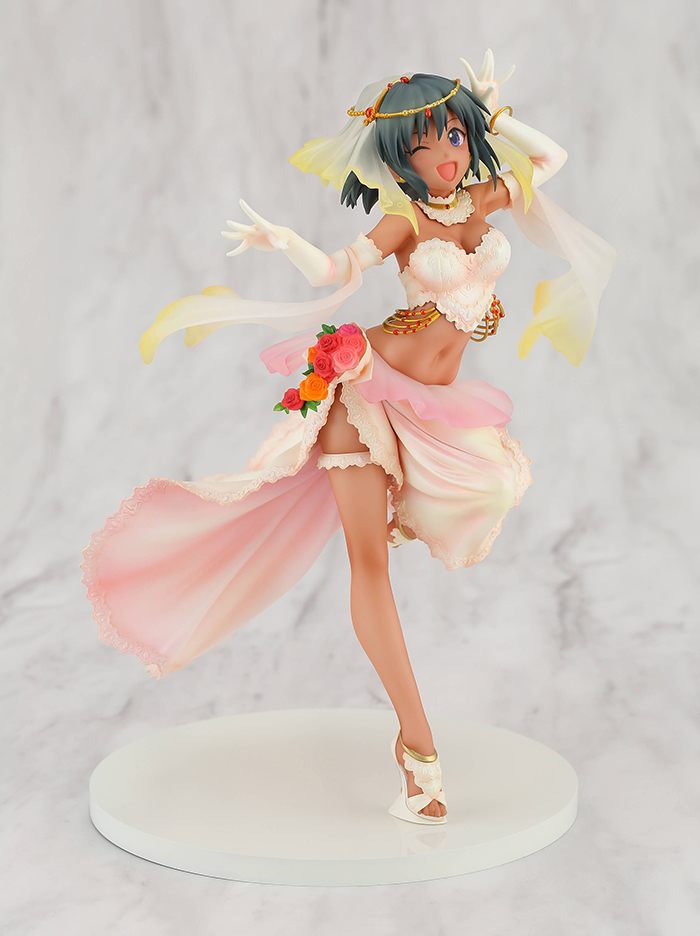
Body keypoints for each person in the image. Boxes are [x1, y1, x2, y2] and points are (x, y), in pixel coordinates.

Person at [81, 52, 615, 825]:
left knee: (497, 484)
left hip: (431, 406)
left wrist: (498, 114)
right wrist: (284, 241)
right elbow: (335, 268)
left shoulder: (484, 196)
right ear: (400, 160)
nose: (446, 155)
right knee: (370, 567)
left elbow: (552, 160)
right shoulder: (406, 219)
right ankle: (418, 750)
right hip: (364, 393)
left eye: (455, 136)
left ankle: (404, 511)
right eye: (425, 145)